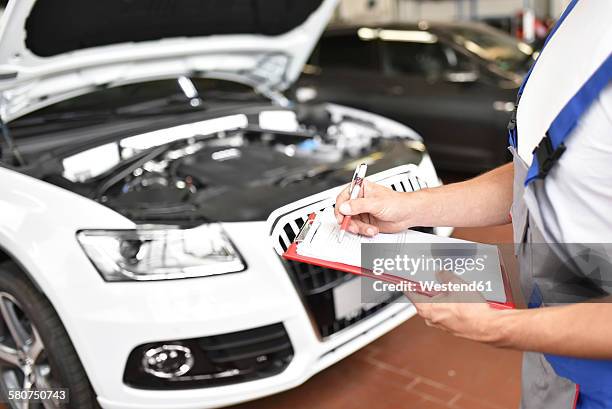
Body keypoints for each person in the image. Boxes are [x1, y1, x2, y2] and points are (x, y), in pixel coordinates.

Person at [334, 1, 611, 408]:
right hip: (552, 354)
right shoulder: (585, 17)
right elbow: (542, 175)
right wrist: (411, 207)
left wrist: (495, 326)